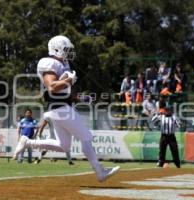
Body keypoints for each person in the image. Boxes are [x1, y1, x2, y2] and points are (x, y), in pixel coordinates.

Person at [12, 35, 119, 182]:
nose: (68, 52)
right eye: (66, 49)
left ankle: (28, 142)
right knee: (86, 137)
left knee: (63, 146)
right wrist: (69, 80)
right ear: (57, 49)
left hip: (59, 108)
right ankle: (99, 171)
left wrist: (82, 98)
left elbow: (67, 92)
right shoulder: (50, 63)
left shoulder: (63, 65)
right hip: (61, 109)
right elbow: (52, 87)